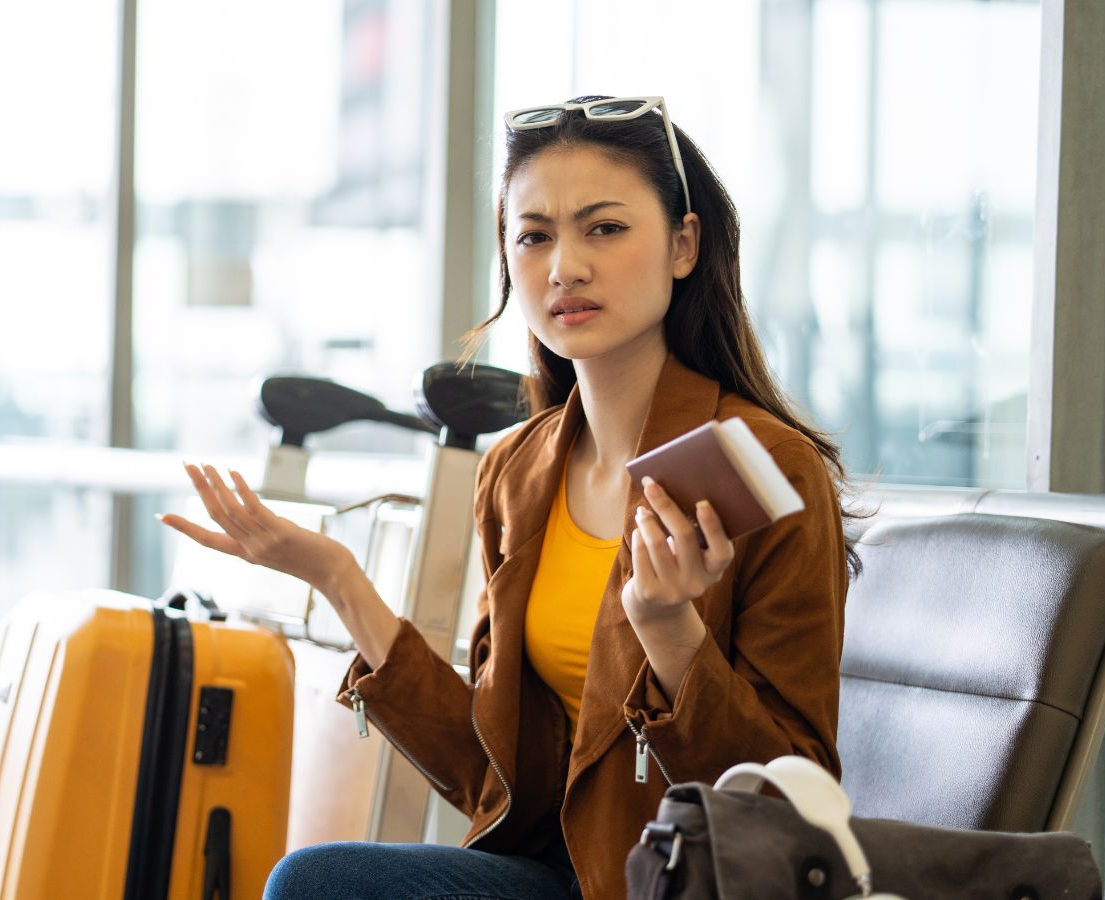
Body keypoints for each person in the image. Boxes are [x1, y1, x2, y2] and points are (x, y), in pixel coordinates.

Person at [160, 94, 855, 900]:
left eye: (604, 228)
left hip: (683, 881)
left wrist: (670, 635)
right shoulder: (521, 471)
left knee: (315, 884)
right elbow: (489, 780)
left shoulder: (764, 467)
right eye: (534, 236)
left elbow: (788, 807)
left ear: (683, 245)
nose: (565, 266)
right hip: (552, 872)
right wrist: (338, 580)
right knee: (322, 877)